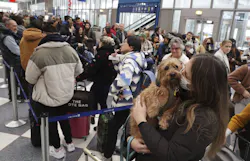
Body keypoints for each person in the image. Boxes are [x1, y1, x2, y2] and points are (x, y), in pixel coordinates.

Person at [130, 54, 229, 161]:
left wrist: (141, 122)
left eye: (185, 74)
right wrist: (130, 139)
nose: (179, 74)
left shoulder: (204, 118)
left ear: (198, 84)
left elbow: (172, 155)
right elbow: (136, 112)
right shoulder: (180, 93)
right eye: (183, 68)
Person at [25, 21, 83, 159]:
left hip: (47, 96)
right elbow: (79, 70)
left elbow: (30, 78)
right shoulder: (70, 50)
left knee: (51, 123)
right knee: (64, 119)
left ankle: (57, 149)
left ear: (43, 34)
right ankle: (69, 143)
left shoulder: (39, 54)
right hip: (66, 93)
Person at [103, 36, 147, 161]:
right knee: (126, 127)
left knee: (113, 127)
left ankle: (108, 155)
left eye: (125, 43)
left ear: (131, 47)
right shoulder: (136, 58)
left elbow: (123, 79)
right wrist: (116, 59)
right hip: (132, 100)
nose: (122, 44)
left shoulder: (129, 61)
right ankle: (122, 150)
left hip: (124, 101)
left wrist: (111, 92)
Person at [87, 36, 117, 109]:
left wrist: (79, 77)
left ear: (102, 43)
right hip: (107, 81)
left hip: (100, 81)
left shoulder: (101, 54)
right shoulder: (111, 53)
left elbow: (93, 68)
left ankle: (93, 117)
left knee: (94, 101)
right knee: (103, 101)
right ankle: (103, 118)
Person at [0, 19, 22, 101]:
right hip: (13, 61)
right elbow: (17, 51)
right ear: (7, 26)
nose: (15, 28)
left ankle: (14, 96)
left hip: (11, 61)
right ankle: (13, 96)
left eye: (16, 26)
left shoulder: (10, 35)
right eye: (13, 26)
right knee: (13, 80)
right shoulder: (8, 37)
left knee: (13, 80)